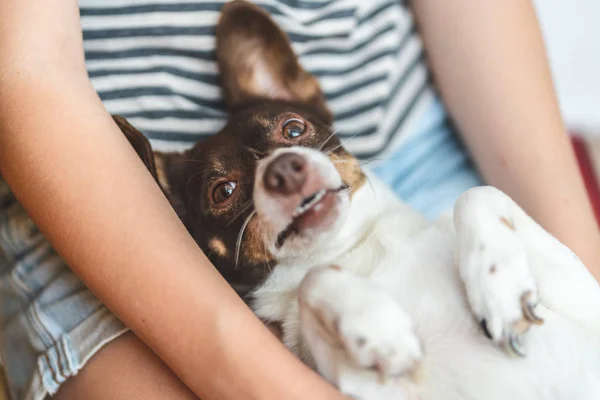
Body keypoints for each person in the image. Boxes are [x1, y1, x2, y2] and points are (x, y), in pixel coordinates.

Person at [1, 0, 598, 399]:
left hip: (416, 134)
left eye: (290, 136)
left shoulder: (468, 217)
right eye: (226, 189)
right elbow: (23, 70)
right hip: (108, 224)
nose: (280, 169)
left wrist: (570, 245)